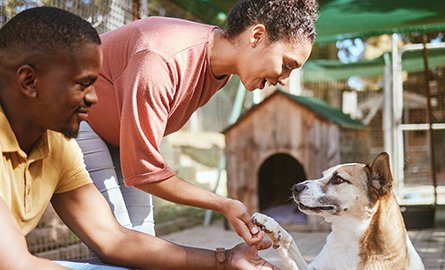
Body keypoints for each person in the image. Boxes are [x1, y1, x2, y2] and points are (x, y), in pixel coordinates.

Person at [0, 6, 278, 270]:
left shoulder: (58, 146)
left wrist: (226, 260)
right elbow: (16, 265)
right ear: (29, 81)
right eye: (83, 84)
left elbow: (114, 240)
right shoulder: (161, 57)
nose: (95, 97)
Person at [77, 0, 318, 247]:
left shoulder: (219, 70)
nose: (285, 80)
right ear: (256, 35)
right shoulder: (161, 59)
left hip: (117, 137)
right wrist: (222, 204)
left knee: (141, 240)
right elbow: (144, 170)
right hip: (78, 121)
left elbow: (140, 167)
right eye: (287, 65)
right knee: (118, 245)